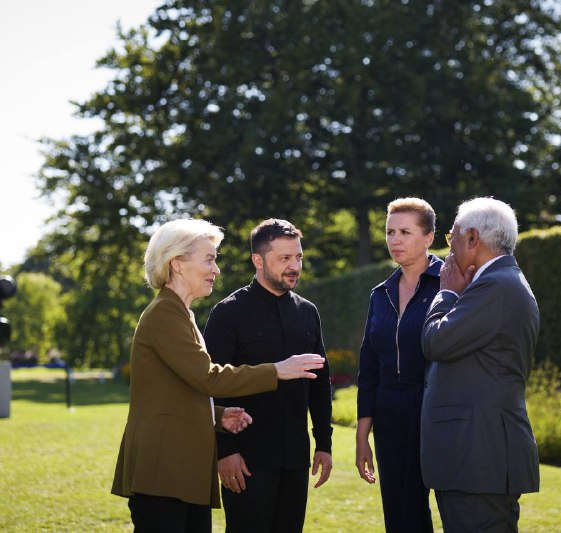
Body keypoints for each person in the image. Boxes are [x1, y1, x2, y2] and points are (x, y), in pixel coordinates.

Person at [111, 218, 325, 533]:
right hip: (164, 472)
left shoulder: (180, 314)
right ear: (178, 264)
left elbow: (180, 392)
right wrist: (277, 371)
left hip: (181, 472)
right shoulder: (165, 315)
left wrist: (220, 415)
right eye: (209, 259)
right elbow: (208, 378)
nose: (216, 269)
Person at [203, 218, 333, 533]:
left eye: (298, 257)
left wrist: (324, 443)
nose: (295, 266)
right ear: (258, 261)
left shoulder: (308, 312)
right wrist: (225, 452)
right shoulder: (227, 313)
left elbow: (319, 382)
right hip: (246, 460)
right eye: (284, 258)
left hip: (296, 459)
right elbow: (210, 385)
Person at [421, 197, 540, 532]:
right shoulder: (497, 282)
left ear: (472, 238)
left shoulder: (495, 286)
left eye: (452, 236)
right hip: (473, 458)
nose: (450, 248)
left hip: (479, 458)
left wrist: (447, 293)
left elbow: (436, 342)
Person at [355, 197, 440, 532]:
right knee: (401, 515)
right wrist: (363, 436)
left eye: (405, 231)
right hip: (390, 414)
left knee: (455, 506)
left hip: (437, 410)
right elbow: (369, 368)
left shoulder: (452, 283)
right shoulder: (381, 294)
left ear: (429, 237)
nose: (395, 240)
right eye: (390, 232)